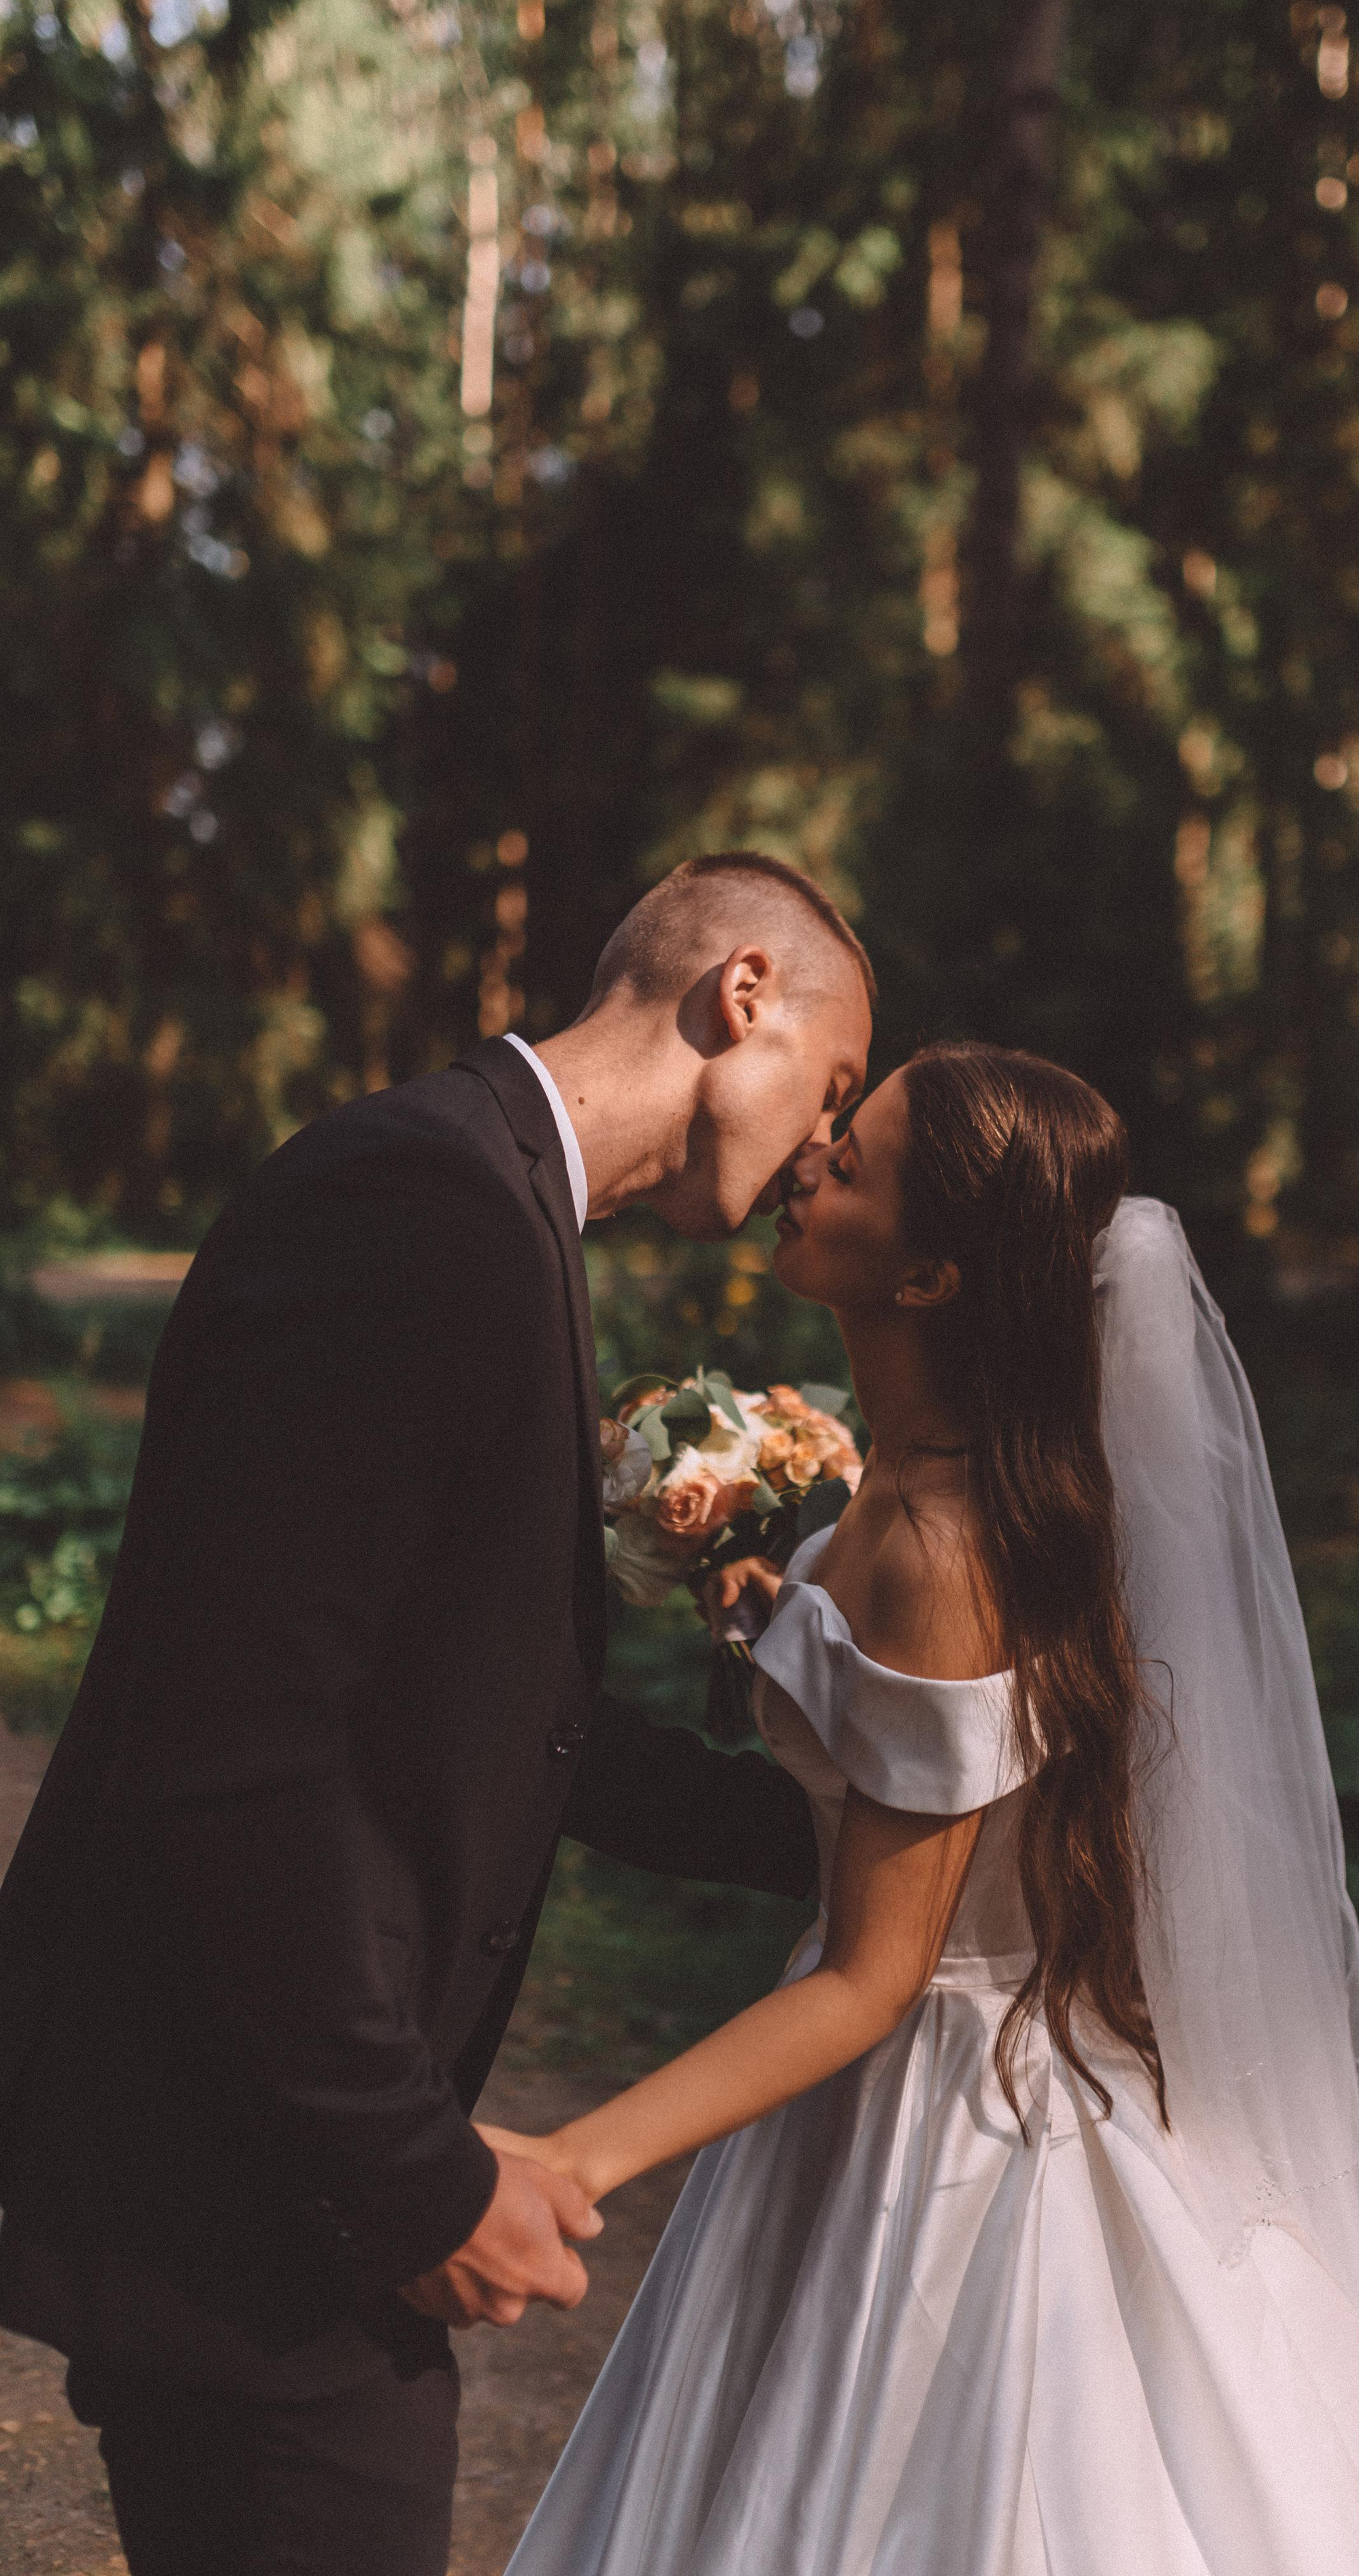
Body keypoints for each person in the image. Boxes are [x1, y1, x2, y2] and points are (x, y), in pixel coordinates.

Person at [496, 1041, 1359, 2576]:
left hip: (945, 2121)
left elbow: (873, 1973)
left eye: (852, 1162)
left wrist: (573, 2164)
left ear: (927, 1280)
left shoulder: (939, 1548)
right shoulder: (891, 1488)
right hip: (924, 2077)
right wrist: (761, 1604)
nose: (808, 1155)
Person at [0, 852, 874, 2576]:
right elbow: (236, 1749)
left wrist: (873, 1838)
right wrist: (408, 2175)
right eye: (833, 1088)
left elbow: (489, 1716)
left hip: (264, 2162)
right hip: (244, 2165)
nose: (824, 1150)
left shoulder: (485, 1205)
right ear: (742, 994)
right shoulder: (419, 1208)